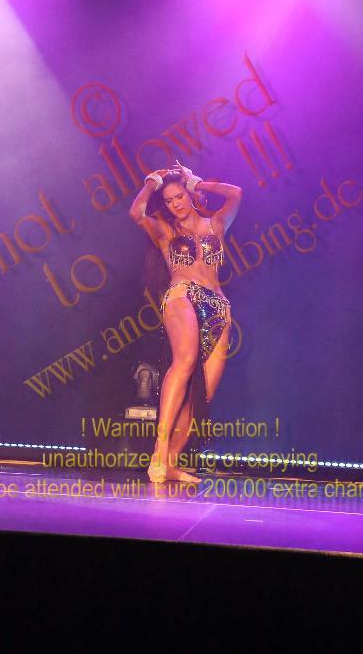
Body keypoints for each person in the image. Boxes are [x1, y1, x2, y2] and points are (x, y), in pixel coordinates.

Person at [128, 160, 242, 484]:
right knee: (186, 360)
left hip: (218, 306)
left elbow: (235, 193)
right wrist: (152, 182)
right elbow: (136, 212)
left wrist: (197, 182)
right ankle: (159, 453)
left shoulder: (216, 224)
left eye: (179, 196)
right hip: (182, 295)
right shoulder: (165, 232)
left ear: (189, 196)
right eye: (169, 200)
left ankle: (171, 463)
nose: (175, 204)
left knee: (202, 396)